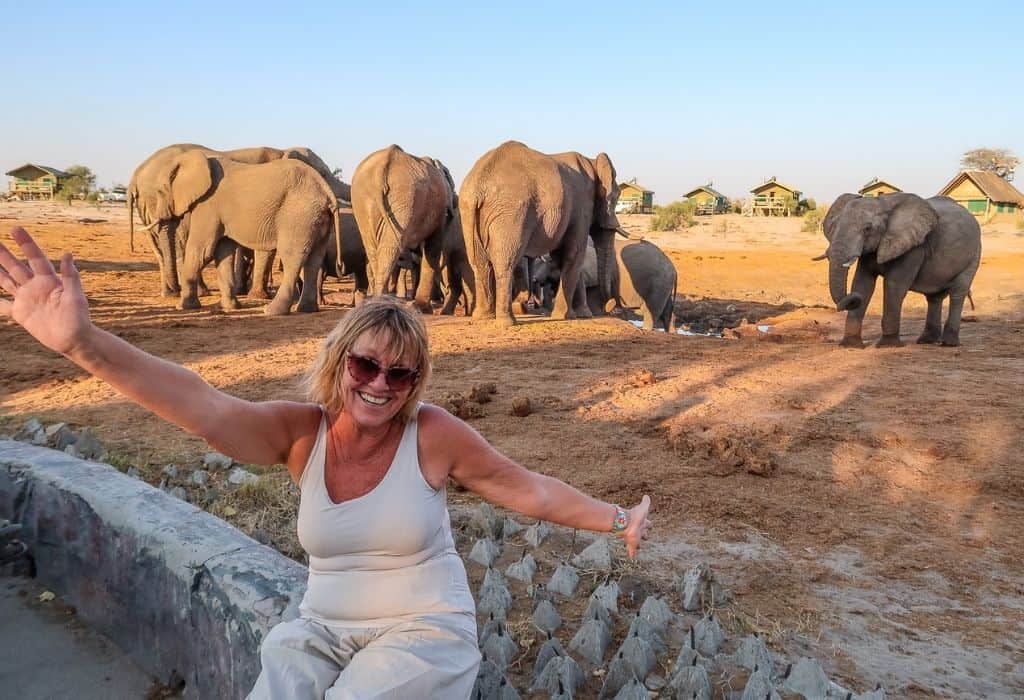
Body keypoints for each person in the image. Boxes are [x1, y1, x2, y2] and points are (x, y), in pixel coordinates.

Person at [0, 227, 652, 699]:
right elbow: (199, 402)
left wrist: (617, 516)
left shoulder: (432, 434)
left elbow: (528, 490)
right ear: (340, 361)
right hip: (321, 629)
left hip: (424, 632)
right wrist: (83, 344)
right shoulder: (299, 434)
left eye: (400, 374)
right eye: (366, 365)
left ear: (416, 381)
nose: (379, 384)